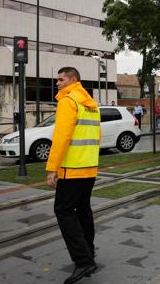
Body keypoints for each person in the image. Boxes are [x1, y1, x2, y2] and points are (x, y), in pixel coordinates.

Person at [46, 67, 99, 284]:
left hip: (72, 169)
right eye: (57, 80)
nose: (57, 83)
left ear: (73, 80)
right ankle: (89, 251)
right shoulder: (90, 104)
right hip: (89, 167)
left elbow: (62, 136)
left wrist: (52, 168)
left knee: (63, 210)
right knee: (83, 208)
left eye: (61, 79)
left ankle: (83, 260)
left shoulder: (68, 101)